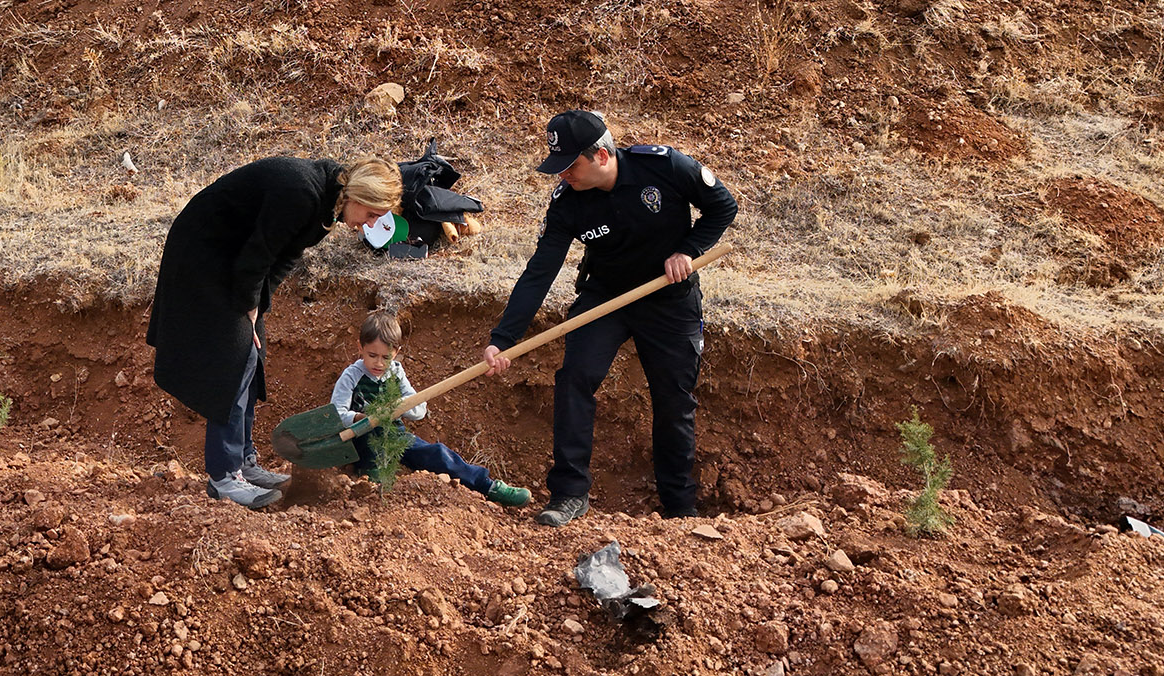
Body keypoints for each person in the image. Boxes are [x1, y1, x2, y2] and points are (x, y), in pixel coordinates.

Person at [482, 111, 736, 527]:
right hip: (605, 298)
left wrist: (688, 251)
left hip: (668, 298)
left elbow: (723, 207)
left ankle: (678, 506)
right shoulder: (568, 203)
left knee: (674, 399)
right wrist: (504, 338)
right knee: (574, 379)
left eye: (570, 166)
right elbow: (540, 271)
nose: (563, 176)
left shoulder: (667, 166)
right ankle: (569, 493)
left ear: (601, 155)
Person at [147, 156, 402, 510]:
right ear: (358, 195)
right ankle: (224, 478)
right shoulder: (300, 193)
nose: (369, 225)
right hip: (203, 256)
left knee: (254, 356)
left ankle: (245, 463)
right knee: (233, 363)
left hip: (236, 263)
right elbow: (256, 258)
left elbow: (283, 258)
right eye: (372, 214)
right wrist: (248, 307)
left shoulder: (328, 205)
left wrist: (258, 309)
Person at [332, 311, 532, 507]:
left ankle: (488, 486)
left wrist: (398, 408)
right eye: (372, 355)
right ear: (360, 348)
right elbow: (337, 415)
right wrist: (364, 417)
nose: (378, 363)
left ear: (396, 352)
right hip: (364, 440)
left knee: (437, 453)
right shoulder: (352, 376)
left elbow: (419, 409)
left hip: (395, 437)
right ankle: (372, 491)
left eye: (386, 357)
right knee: (376, 465)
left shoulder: (396, 373)